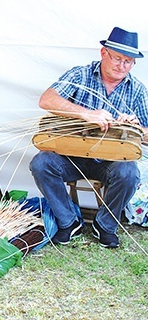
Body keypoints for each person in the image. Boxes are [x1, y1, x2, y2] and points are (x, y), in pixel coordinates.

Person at [30, 26, 148, 249]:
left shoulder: (137, 89)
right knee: (41, 163)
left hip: (110, 162)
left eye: (128, 61)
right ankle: (68, 221)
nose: (122, 66)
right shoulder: (80, 75)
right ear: (104, 53)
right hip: (71, 157)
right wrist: (86, 114)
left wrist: (135, 129)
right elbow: (47, 100)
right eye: (118, 58)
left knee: (129, 172)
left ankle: (105, 225)